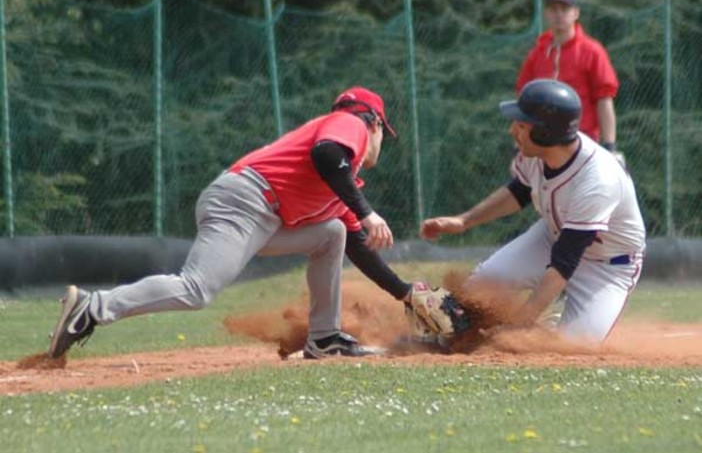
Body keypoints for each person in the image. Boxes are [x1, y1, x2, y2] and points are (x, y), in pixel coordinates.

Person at [48, 86, 414, 360]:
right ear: (377, 123)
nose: (380, 140)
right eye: (384, 132)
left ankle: (324, 337)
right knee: (195, 289)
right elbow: (326, 152)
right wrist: (368, 212)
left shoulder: (340, 185)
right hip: (243, 201)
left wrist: (406, 294)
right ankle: (93, 307)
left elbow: (357, 246)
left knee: (332, 234)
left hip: (261, 215)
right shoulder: (351, 124)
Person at [420, 79, 646, 342]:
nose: (512, 129)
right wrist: (463, 221)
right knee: (480, 287)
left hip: (607, 266)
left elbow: (564, 264)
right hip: (554, 236)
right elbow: (519, 191)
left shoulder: (598, 181)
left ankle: (548, 323)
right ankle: (447, 333)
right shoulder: (534, 154)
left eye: (521, 124)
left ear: (545, 133)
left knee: (570, 345)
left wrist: (519, 325)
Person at [516, 0, 620, 153]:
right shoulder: (537, 54)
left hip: (582, 142)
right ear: (546, 13)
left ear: (576, 13)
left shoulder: (592, 51)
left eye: (564, 9)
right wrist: (519, 145)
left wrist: (610, 146)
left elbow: (604, 99)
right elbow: (525, 104)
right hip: (542, 143)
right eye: (553, 9)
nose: (559, 14)